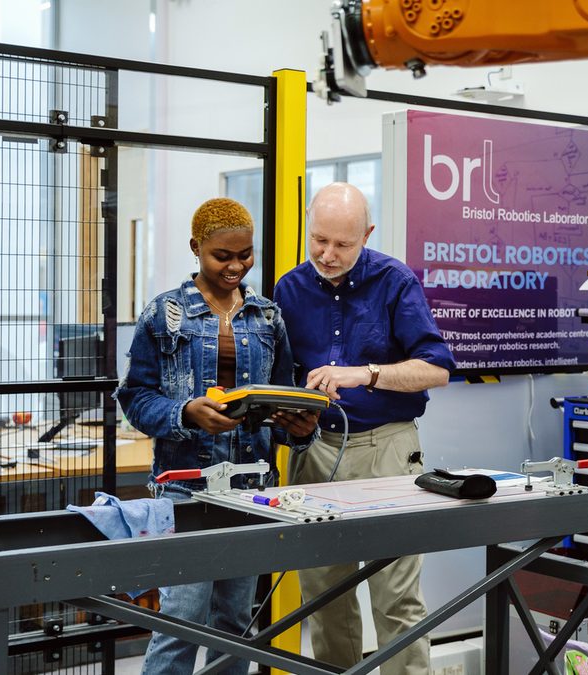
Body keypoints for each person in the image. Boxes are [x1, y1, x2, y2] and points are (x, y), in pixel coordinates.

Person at [116, 197, 319, 675]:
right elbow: (134, 400)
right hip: (185, 490)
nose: (236, 266)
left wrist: (298, 426)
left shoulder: (267, 317)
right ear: (196, 248)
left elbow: (279, 397)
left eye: (245, 254)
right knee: (181, 620)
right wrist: (186, 411)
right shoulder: (163, 314)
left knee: (235, 622)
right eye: (221, 256)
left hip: (251, 491)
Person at [273, 183, 455, 674]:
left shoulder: (395, 282)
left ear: (367, 235)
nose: (327, 255)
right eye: (318, 241)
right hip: (315, 451)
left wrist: (364, 373)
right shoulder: (288, 289)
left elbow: (438, 368)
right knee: (324, 596)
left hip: (387, 449)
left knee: (394, 596)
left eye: (342, 245)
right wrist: (293, 411)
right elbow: (281, 377)